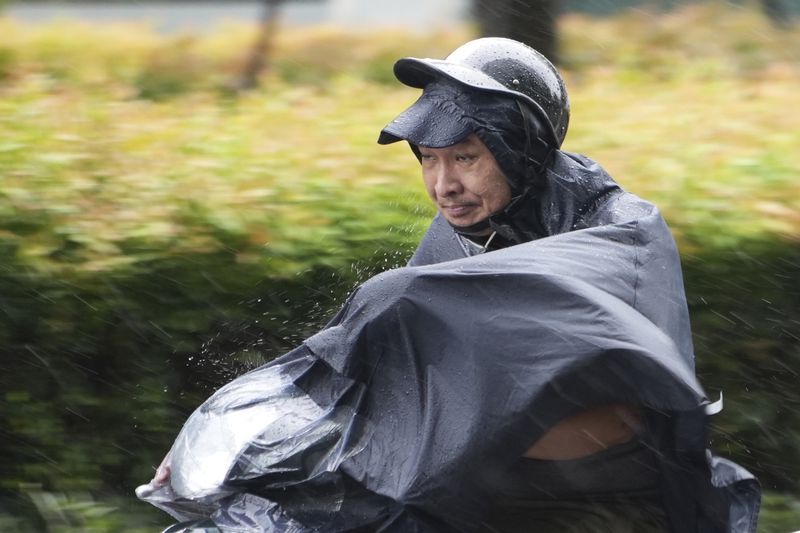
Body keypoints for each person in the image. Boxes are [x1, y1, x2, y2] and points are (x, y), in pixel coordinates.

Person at [140, 38, 760, 533]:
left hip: (606, 487)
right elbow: (365, 348)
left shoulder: (624, 231)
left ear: (521, 148)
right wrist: (242, 435)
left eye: (465, 157)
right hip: (478, 475)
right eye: (428, 159)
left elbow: (615, 391)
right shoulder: (462, 232)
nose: (443, 185)